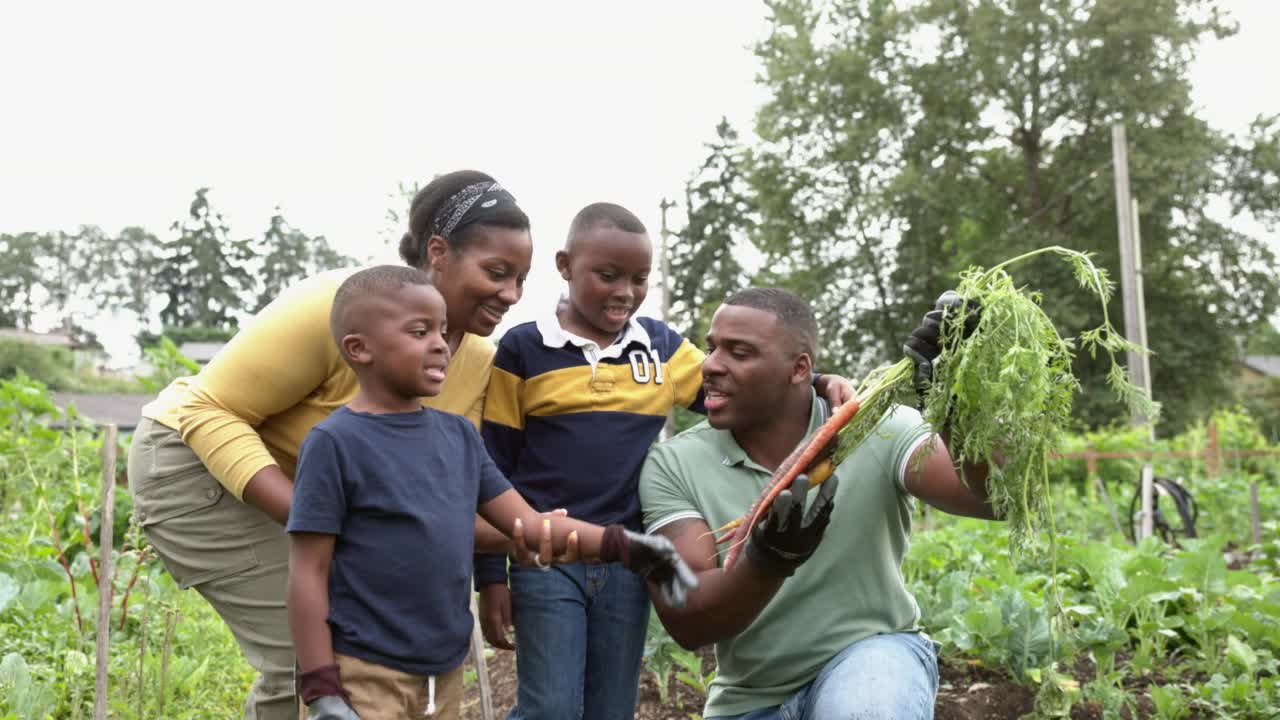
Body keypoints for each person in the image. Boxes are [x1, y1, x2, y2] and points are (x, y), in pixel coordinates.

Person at [126, 170, 559, 720]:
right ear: (439, 251)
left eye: (522, 280)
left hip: (304, 486)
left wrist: (519, 544)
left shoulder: (473, 360)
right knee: (311, 651)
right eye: (497, 273)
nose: (511, 295)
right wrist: (326, 519)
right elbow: (207, 409)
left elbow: (444, 496)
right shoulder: (337, 308)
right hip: (189, 463)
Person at [475, 204, 856, 720]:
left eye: (639, 279)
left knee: (612, 707)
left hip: (630, 561)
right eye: (607, 276)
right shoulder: (524, 349)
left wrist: (814, 383)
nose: (625, 292)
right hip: (547, 559)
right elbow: (492, 470)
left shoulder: (658, 347)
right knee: (552, 707)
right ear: (565, 266)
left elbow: (739, 386)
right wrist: (491, 578)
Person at [286, 266, 697, 720]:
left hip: (440, 675)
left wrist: (629, 547)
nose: (441, 344)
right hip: (361, 673)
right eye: (419, 331)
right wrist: (322, 687)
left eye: (442, 330)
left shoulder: (458, 436)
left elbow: (531, 525)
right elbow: (308, 570)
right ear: (358, 349)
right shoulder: (334, 443)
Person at [639, 288, 998, 720]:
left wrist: (961, 406)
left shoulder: (876, 427)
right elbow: (688, 621)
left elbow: (993, 499)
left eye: (739, 352)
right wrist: (769, 560)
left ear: (800, 369)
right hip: (750, 699)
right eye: (713, 347)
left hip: (872, 663)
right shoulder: (675, 462)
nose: (711, 364)